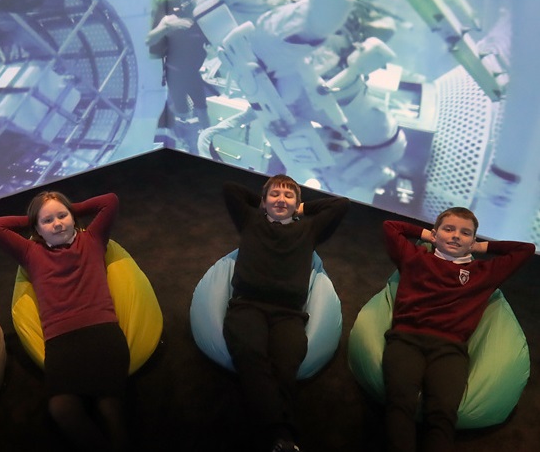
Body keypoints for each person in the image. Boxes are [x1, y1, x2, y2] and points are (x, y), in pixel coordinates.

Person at [381, 208, 536, 452]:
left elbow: (525, 249)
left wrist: (481, 247)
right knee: (399, 403)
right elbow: (391, 226)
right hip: (405, 339)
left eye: (465, 233)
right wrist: (427, 235)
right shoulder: (414, 257)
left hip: (450, 349)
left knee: (442, 413)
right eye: (448, 229)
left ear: (473, 241)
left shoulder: (483, 273)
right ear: (435, 234)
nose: (456, 236)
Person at [0, 191, 130, 452]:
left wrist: (63, 207)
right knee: (61, 408)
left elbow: (110, 201)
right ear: (37, 229)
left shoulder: (92, 239)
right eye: (48, 221)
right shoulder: (30, 252)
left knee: (110, 406)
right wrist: (36, 215)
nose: (57, 224)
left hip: (102, 332)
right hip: (61, 341)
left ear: (73, 217)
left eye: (63, 216)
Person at [221, 175, 349, 452]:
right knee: (251, 354)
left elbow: (340, 205)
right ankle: (282, 436)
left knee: (287, 363)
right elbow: (230, 188)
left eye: (288, 196)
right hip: (248, 305)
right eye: (275, 195)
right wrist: (264, 203)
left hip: (289, 313)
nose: (281, 199)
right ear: (264, 200)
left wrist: (301, 208)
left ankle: (274, 436)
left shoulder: (309, 229)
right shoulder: (250, 220)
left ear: (298, 204)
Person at [146, 0, 211, 151]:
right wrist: (168, 26)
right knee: (182, 112)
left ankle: (208, 145)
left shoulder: (201, 20)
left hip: (192, 72)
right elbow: (149, 40)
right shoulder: (172, 19)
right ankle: (181, 142)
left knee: (203, 111)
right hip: (175, 74)